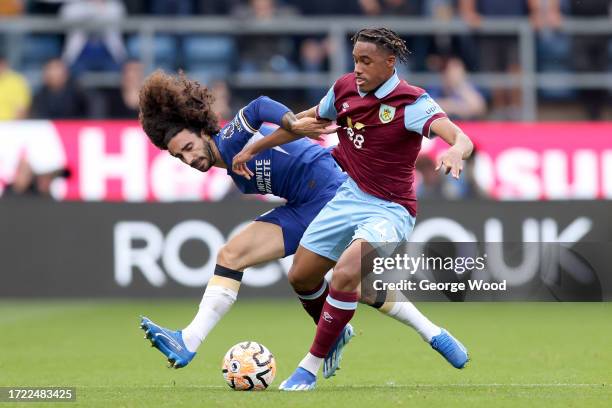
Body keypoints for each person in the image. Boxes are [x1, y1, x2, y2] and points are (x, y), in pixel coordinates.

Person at [232, 27, 474, 390]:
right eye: (355, 60)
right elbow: (303, 123)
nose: (357, 69)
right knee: (301, 277)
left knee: (345, 275)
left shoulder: (413, 102)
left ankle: (308, 367)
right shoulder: (345, 89)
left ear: (389, 64)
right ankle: (413, 331)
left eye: (366, 61)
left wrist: (455, 150)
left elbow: (460, 136)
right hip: (348, 197)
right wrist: (254, 148)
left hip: (390, 210)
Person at [137, 70, 341, 368]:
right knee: (231, 256)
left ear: (204, 132)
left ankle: (431, 334)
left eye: (189, 148)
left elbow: (259, 107)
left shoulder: (230, 140)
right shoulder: (231, 165)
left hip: (328, 195)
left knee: (357, 282)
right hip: (304, 203)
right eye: (180, 157)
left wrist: (293, 123)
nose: (189, 160)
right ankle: (188, 341)